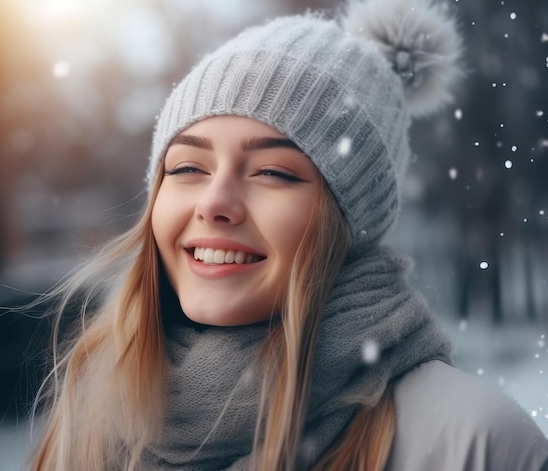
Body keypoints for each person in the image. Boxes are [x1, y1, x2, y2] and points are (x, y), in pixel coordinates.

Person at [30, 0, 548, 469]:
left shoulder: (475, 444)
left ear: (350, 220)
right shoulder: (91, 424)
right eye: (188, 167)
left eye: (273, 172)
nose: (214, 202)